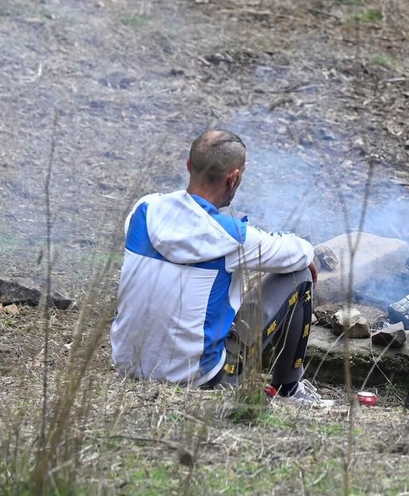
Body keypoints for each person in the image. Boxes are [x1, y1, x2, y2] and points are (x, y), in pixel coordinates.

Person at [111, 129, 331, 405]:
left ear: (189, 166)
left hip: (128, 365)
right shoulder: (233, 238)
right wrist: (304, 255)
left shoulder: (143, 210)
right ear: (234, 177)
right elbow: (299, 252)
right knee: (298, 274)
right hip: (202, 377)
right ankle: (287, 388)